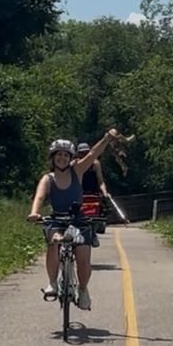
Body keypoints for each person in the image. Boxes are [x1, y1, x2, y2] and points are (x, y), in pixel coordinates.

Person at [27, 129, 119, 311]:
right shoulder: (48, 178)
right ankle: (53, 283)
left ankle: (83, 290)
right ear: (52, 158)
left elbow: (93, 154)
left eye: (65, 155)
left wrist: (106, 138)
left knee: (83, 259)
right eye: (58, 155)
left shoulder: (77, 171)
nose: (62, 158)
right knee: (53, 243)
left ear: (70, 157)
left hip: (78, 219)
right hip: (56, 218)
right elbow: (39, 197)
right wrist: (34, 212)